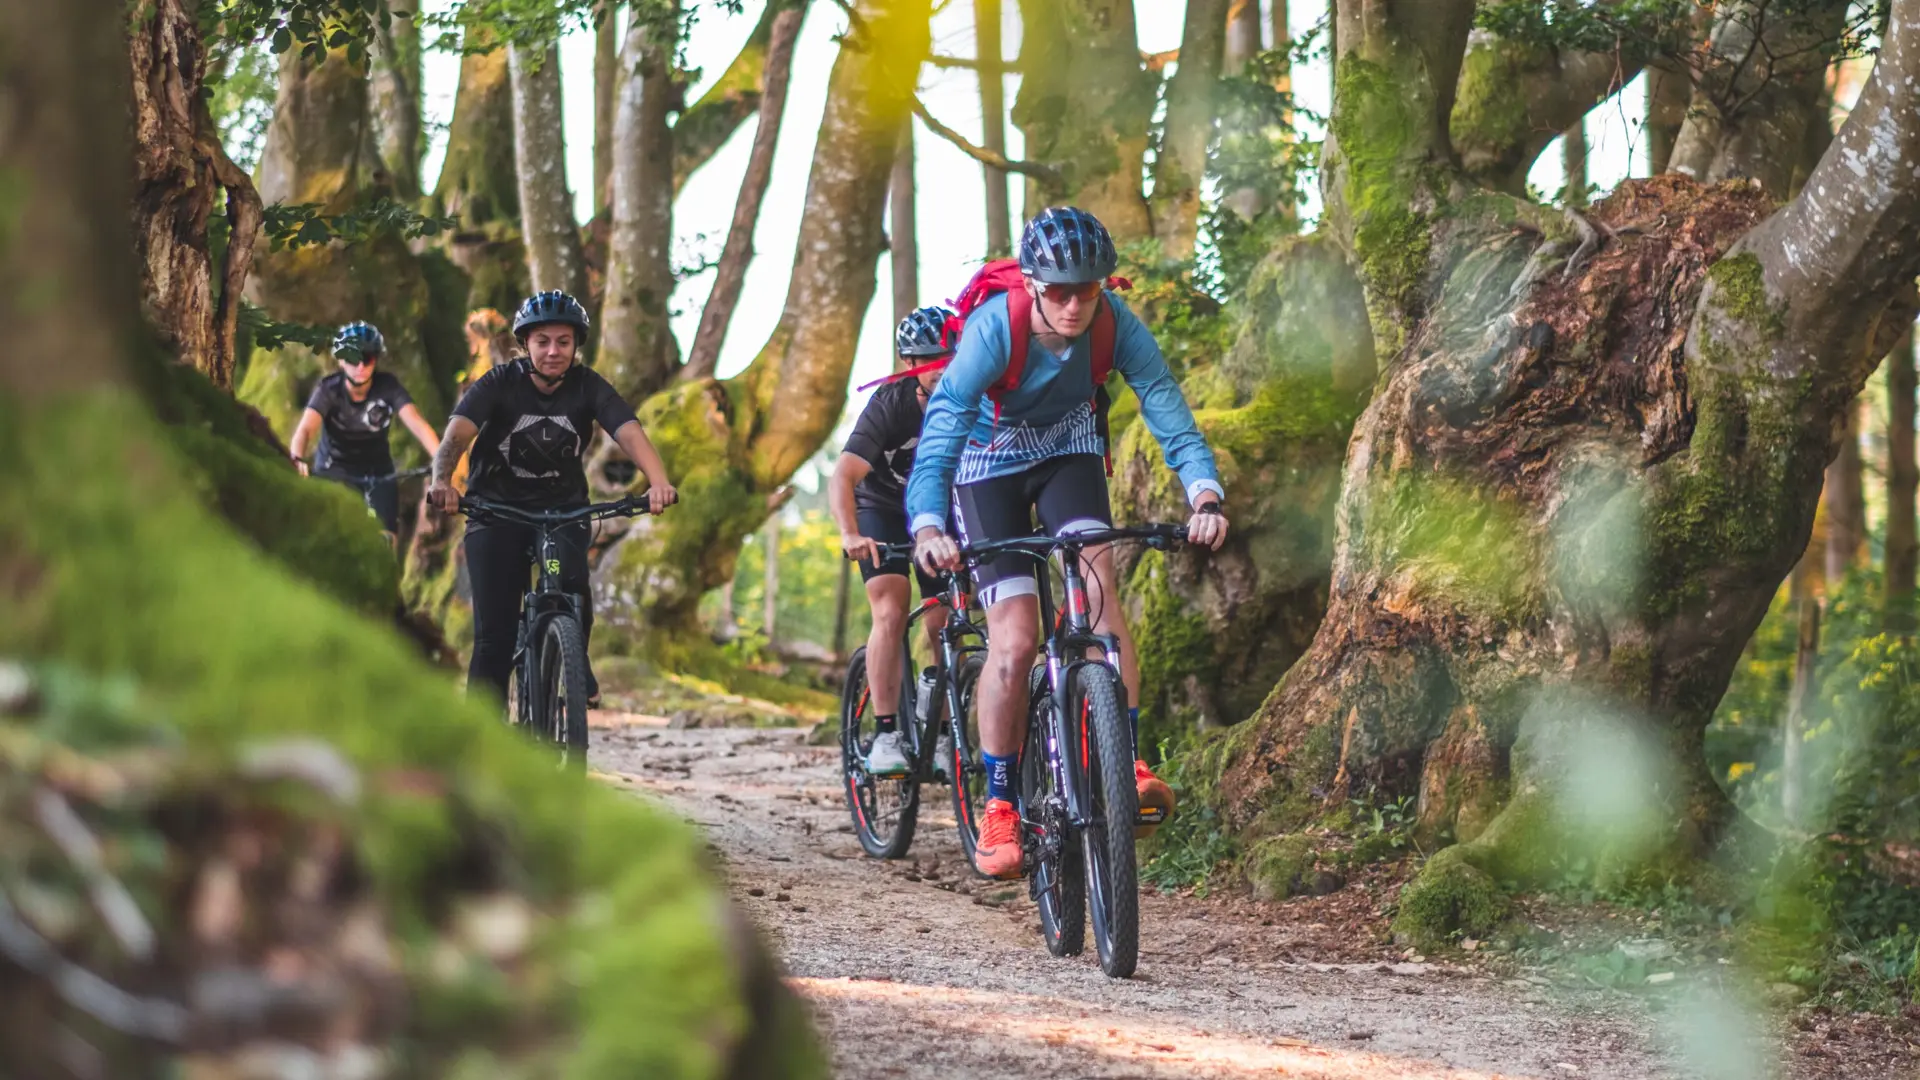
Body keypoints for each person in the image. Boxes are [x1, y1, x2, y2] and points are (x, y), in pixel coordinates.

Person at [907, 207, 1230, 879]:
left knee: (1099, 591)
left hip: (1068, 452)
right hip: (985, 465)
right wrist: (928, 523)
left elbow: (1165, 406)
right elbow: (941, 429)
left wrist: (1204, 492)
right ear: (1031, 284)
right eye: (1059, 289)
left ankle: (1128, 762)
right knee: (1016, 637)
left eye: (1089, 287)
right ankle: (999, 801)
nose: (1076, 303)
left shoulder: (1114, 324)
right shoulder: (997, 330)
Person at [425, 290, 678, 709]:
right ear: (525, 344)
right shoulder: (499, 382)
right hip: (495, 511)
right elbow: (456, 435)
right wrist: (442, 482)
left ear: (577, 345)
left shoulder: (587, 386)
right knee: (495, 638)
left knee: (573, 591)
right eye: (543, 341)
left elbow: (628, 430)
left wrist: (658, 481)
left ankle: (573, 660)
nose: (553, 351)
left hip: (562, 512)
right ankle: (482, 744)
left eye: (563, 341)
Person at [829, 306, 958, 778]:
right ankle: (885, 733)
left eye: (952, 355)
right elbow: (844, 475)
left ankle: (944, 727)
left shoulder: (975, 401)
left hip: (941, 513)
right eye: (931, 359)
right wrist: (850, 534)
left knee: (948, 618)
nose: (944, 366)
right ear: (910, 364)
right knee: (890, 610)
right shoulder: (891, 405)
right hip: (881, 509)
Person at [289, 321, 442, 534]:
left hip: (378, 473)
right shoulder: (328, 390)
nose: (361, 366)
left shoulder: (388, 386)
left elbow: (418, 424)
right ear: (341, 360)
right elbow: (305, 430)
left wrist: (442, 459)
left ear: (376, 360)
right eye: (354, 358)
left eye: (368, 358)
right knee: (330, 529)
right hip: (333, 470)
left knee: (386, 534)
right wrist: (296, 458)